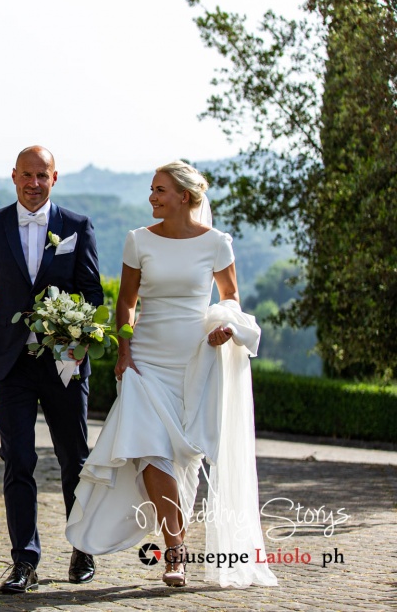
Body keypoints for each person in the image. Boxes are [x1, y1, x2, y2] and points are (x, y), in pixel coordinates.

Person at [65, 161, 277, 589]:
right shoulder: (137, 240)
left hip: (196, 361)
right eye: (150, 189)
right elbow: (125, 303)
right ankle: (175, 551)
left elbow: (230, 297)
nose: (152, 197)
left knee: (186, 457)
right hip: (146, 360)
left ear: (184, 196)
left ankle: (174, 538)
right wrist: (124, 351)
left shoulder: (217, 243)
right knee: (147, 449)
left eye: (160, 190)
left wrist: (225, 327)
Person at [0, 146, 103, 593]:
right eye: (26, 175)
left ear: (54, 178)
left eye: (42, 175)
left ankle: (82, 548)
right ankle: (24, 561)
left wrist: (75, 337)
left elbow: (92, 296)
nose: (33, 183)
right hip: (9, 364)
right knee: (17, 459)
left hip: (64, 363)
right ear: (13, 176)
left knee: (74, 459)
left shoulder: (77, 228)